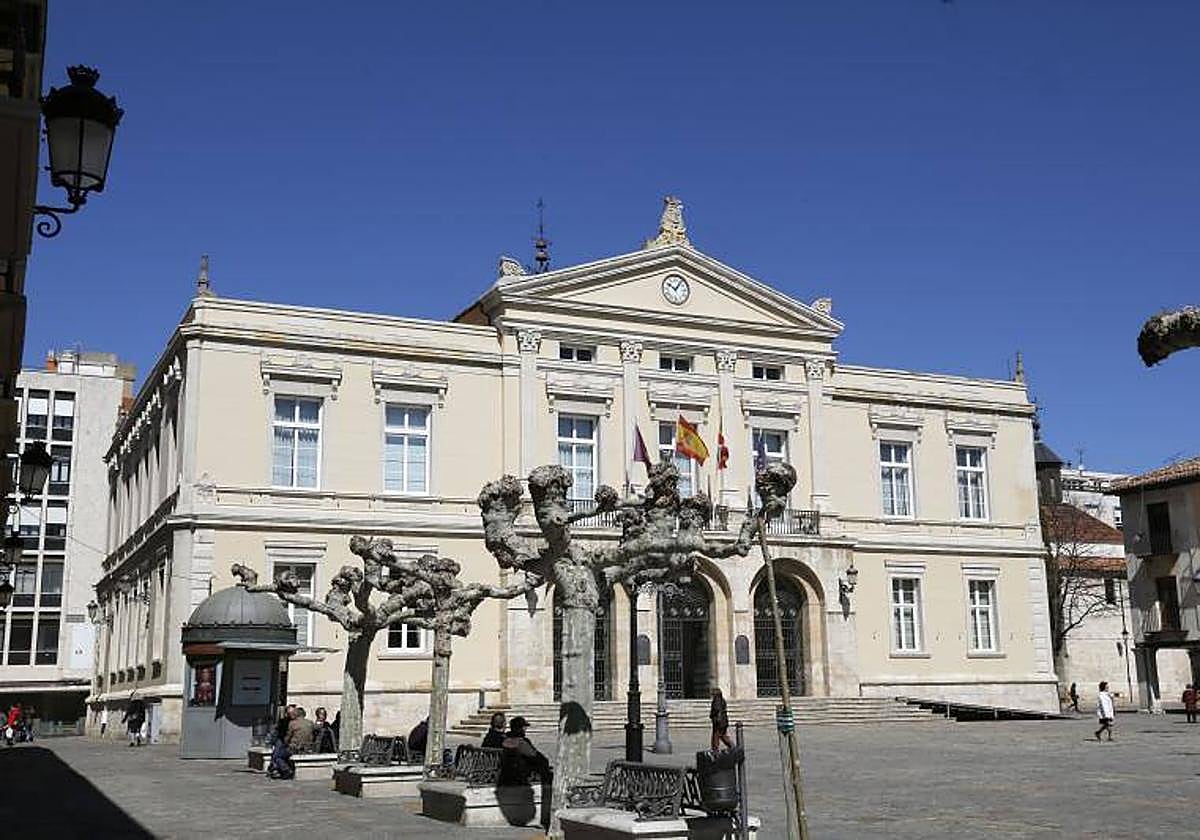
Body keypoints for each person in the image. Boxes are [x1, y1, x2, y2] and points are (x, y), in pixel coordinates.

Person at [499, 716, 552, 786]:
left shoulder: (504, 740)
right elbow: (535, 756)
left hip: (507, 773)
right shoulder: (521, 742)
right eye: (524, 727)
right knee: (544, 766)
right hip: (521, 774)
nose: (525, 729)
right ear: (519, 728)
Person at [268, 705, 298, 779]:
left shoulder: (296, 722)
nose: (291, 715)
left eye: (293, 713)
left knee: (278, 756)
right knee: (277, 750)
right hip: (283, 740)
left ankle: (284, 769)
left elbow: (289, 736)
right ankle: (275, 768)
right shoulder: (283, 721)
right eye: (290, 713)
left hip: (290, 744)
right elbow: (279, 731)